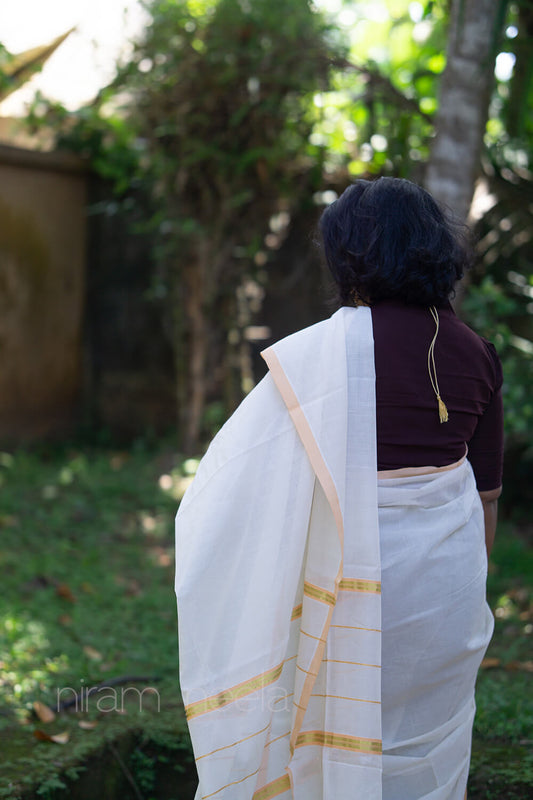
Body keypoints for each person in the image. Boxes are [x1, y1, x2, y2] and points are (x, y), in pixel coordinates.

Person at [175, 177, 503, 800]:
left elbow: (240, 478)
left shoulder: (314, 355)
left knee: (331, 742)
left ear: (350, 256)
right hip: (446, 595)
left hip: (345, 589)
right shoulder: (478, 353)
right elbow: (485, 496)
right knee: (423, 744)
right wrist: (466, 595)